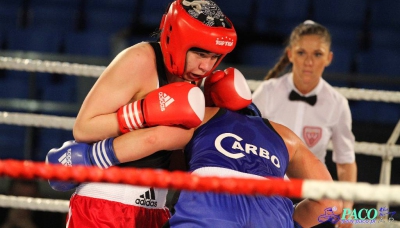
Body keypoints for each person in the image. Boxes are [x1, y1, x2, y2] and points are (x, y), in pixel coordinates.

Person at [48, 68, 342, 227]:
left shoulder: (201, 115)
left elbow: (154, 139)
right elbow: (331, 205)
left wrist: (89, 156)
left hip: (211, 206)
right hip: (272, 210)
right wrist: (283, 221)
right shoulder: (285, 135)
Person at [49, 0, 237, 228]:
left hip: (155, 208)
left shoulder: (192, 80)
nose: (206, 66)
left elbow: (174, 161)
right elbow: (84, 128)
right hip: (104, 204)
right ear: (178, 40)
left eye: (214, 57)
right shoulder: (139, 60)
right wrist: (142, 113)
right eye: (200, 54)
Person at [252, 20, 357, 227]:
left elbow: (345, 162)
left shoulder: (337, 104)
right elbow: (246, 139)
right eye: (301, 53)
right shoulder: (268, 92)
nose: (309, 61)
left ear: (329, 58)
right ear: (290, 54)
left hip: (316, 198)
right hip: (270, 193)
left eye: (317, 54)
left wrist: (348, 208)